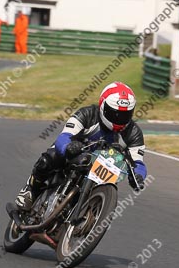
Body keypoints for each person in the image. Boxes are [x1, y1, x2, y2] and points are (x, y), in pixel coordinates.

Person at [15, 81, 147, 210]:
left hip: (102, 168)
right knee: (49, 158)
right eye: (115, 113)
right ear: (102, 106)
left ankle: (91, 213)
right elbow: (64, 136)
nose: (119, 119)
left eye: (125, 115)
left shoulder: (133, 133)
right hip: (75, 154)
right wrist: (68, 147)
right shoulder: (87, 114)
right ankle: (30, 190)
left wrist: (138, 176)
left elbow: (138, 163)